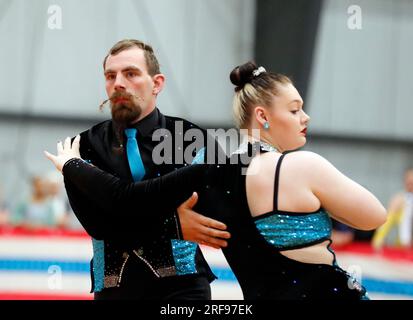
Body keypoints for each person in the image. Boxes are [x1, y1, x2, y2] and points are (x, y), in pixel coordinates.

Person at [46, 61, 387, 299]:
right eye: (295, 109)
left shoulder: (215, 170)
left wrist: (73, 165)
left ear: (157, 83)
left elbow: (126, 200)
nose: (305, 117)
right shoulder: (304, 166)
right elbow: (374, 217)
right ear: (263, 116)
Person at [58, 39, 230, 300]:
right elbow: (99, 225)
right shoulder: (82, 147)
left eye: (130, 73)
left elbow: (216, 213)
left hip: (183, 291)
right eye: (110, 75)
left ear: (157, 83)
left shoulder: (190, 138)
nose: (118, 83)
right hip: (114, 291)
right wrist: (174, 223)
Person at [372, 168, 413, 249]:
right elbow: (387, 223)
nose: (410, 184)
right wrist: (378, 241)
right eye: (409, 182)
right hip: (403, 245)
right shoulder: (399, 199)